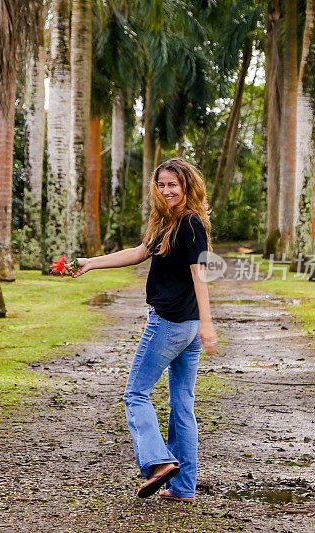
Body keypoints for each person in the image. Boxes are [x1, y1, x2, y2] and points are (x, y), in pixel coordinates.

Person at [67, 157, 217, 502]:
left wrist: (209, 324)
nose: (166, 190)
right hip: (187, 328)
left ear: (187, 186)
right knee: (182, 405)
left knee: (135, 394)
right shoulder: (167, 222)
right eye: (161, 184)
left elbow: (201, 275)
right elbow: (137, 254)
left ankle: (158, 462)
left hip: (172, 324)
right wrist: (91, 263)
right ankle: (182, 488)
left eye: (173, 185)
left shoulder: (190, 223)